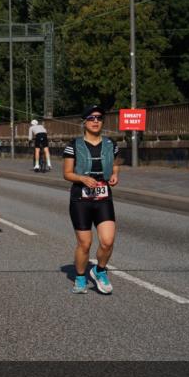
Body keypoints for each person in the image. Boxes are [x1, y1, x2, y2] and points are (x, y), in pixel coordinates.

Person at [63, 106, 120, 295]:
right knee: (85, 244)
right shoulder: (74, 145)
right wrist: (82, 178)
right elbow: (67, 174)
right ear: (84, 122)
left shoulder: (111, 143)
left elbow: (115, 163)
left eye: (99, 118)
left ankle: (99, 270)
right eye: (91, 118)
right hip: (81, 199)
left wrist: (114, 175)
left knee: (107, 241)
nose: (96, 121)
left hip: (103, 197)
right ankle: (80, 278)